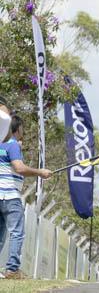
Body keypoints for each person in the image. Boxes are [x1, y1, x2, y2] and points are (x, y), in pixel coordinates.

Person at [0, 115, 52, 279]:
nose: (24, 130)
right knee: (17, 232)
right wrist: (40, 172)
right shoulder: (12, 144)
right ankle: (12, 270)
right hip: (10, 196)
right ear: (16, 129)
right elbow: (19, 168)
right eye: (22, 127)